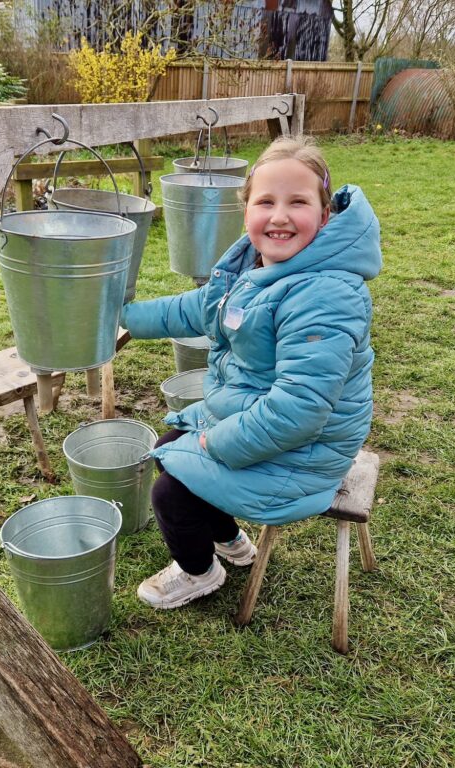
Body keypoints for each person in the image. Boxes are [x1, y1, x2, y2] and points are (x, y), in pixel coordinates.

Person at [121, 135, 382, 609]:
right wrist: (126, 319)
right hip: (259, 417)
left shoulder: (325, 295)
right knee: (166, 448)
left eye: (297, 202)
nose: (279, 216)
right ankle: (231, 541)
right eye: (266, 201)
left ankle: (198, 572)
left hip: (305, 449)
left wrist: (212, 442)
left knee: (171, 493)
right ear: (246, 211)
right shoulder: (255, 268)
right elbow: (197, 308)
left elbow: (298, 411)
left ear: (324, 216)